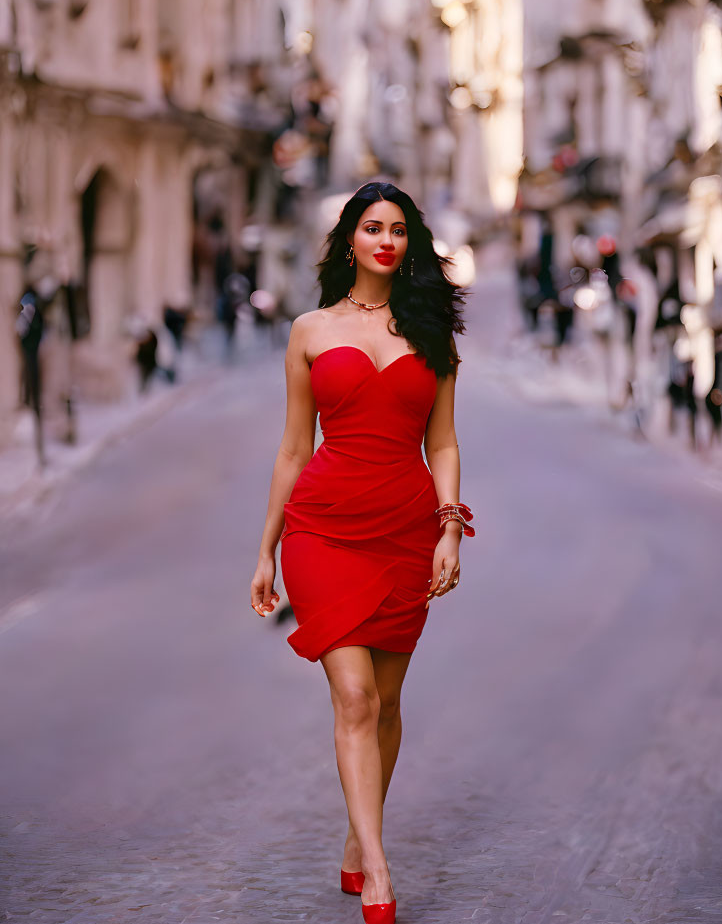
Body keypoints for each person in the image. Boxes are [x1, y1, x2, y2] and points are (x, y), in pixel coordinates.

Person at [250, 181, 472, 924]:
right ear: (349, 238)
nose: (385, 239)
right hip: (321, 528)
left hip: (405, 529)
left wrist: (448, 526)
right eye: (371, 226)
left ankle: (355, 835)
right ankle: (377, 868)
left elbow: (440, 440)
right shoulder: (309, 329)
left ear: (411, 244)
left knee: (387, 705)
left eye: (398, 229)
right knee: (354, 696)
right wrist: (266, 551)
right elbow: (291, 449)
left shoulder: (432, 332)